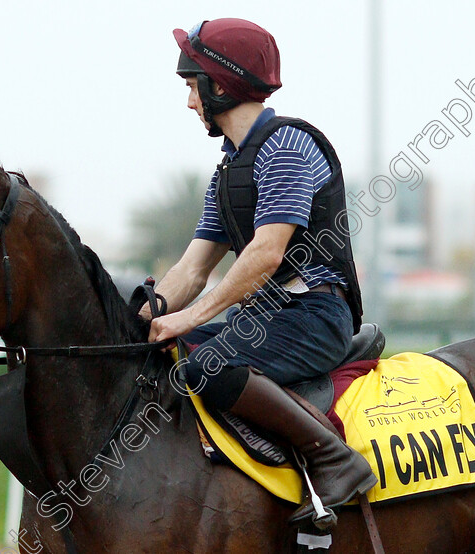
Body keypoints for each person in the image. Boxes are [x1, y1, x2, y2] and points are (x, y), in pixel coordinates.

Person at [144, 18, 376, 527]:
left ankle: (334, 459)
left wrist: (189, 319)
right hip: (273, 319)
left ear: (219, 85)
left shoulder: (287, 148)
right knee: (158, 354)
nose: (189, 103)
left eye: (191, 87)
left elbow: (266, 255)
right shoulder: (229, 169)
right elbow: (192, 268)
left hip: (316, 316)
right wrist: (142, 321)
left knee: (206, 366)